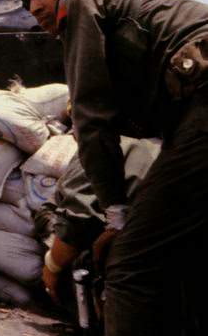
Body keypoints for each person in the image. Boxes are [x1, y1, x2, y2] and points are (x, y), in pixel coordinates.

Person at [9, 0, 208, 336]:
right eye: (26, 2)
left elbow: (91, 119)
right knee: (183, 254)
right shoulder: (129, 10)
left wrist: (116, 220)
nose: (34, 9)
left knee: (128, 264)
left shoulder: (82, 0)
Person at [36, 138, 159, 324]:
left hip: (129, 275)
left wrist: (51, 267)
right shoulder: (174, 148)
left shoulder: (102, 145)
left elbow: (75, 224)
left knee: (51, 223)